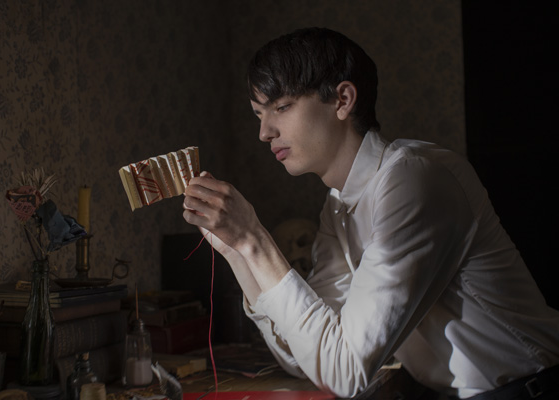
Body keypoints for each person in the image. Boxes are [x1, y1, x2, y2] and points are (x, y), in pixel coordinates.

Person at [182, 27, 559, 399]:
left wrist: (254, 240)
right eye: (258, 114)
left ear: (342, 100)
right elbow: (308, 358)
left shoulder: (414, 180)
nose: (264, 132)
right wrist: (237, 252)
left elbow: (343, 371)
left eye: (281, 107)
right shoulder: (338, 204)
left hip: (528, 389)